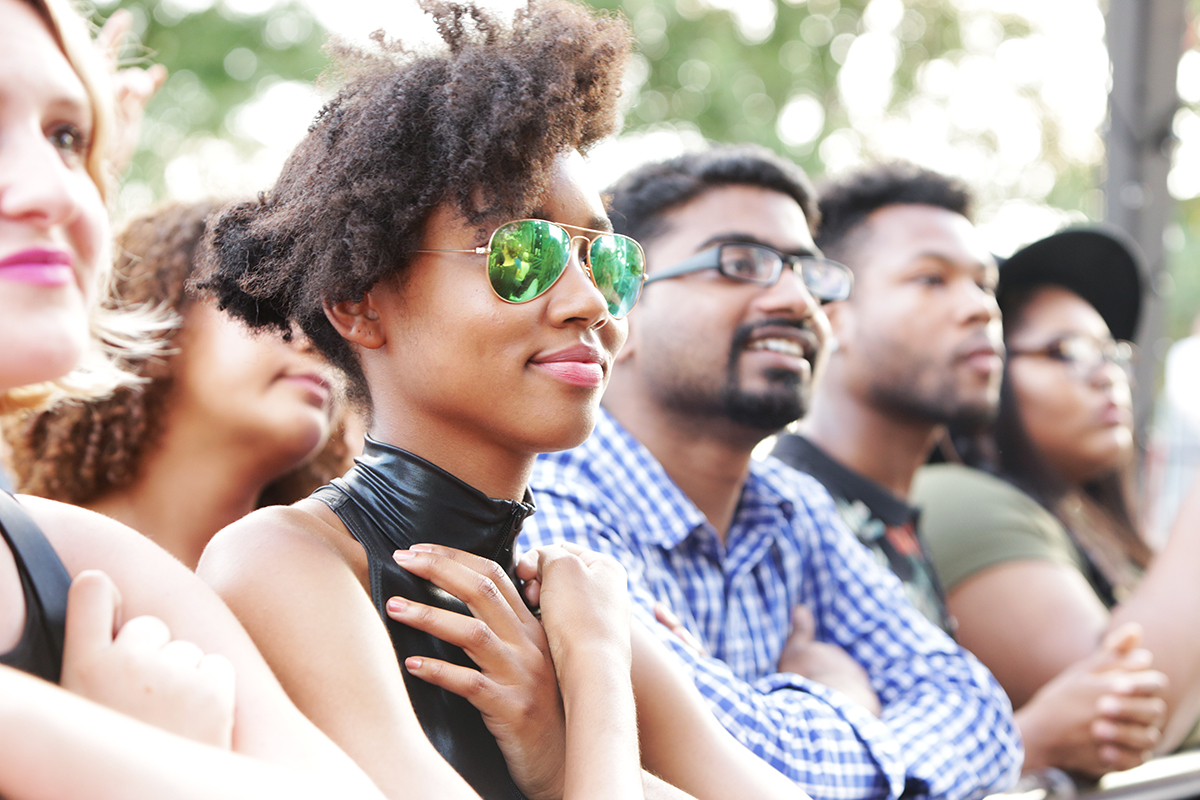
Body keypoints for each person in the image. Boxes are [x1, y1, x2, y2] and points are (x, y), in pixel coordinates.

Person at [194, 5, 805, 800]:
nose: (591, 302)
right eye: (524, 253)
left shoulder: (574, 597)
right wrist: (594, 689)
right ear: (357, 302)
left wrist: (571, 727)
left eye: (607, 259)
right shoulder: (285, 563)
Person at [520, 145, 1022, 800]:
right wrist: (841, 699)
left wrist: (785, 729)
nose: (795, 299)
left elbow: (978, 712)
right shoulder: (552, 502)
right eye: (740, 264)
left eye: (807, 271)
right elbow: (695, 751)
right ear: (620, 310)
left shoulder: (792, 506)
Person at [0, 0, 410, 796]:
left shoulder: (87, 560)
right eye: (259, 305)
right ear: (150, 301)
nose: (54, 189)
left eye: (67, 138)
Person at [771, 165, 1168, 777]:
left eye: (984, 284)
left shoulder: (902, 523)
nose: (979, 309)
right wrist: (1032, 739)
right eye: (932, 279)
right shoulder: (779, 519)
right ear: (829, 313)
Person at [913, 226, 1200, 756]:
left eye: (1112, 353)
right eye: (1067, 350)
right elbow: (1124, 718)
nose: (1107, 376)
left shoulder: (1092, 522)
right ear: (986, 366)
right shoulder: (954, 497)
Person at [3, 200, 350, 569]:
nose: (314, 343)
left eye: (325, 321)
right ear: (159, 312)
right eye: (265, 304)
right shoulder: (21, 568)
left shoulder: (356, 591)